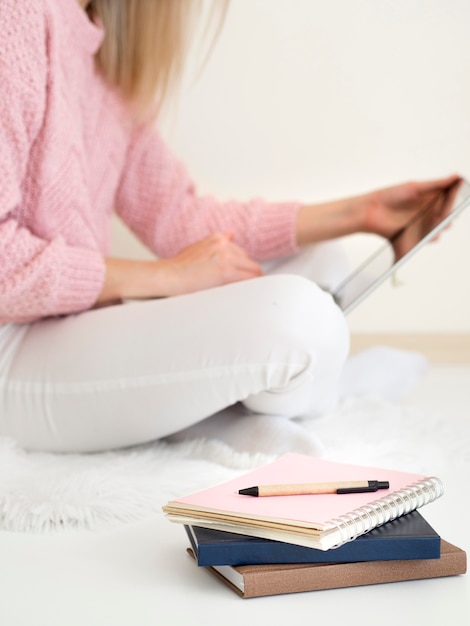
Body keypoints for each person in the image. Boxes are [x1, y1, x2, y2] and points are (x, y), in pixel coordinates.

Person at [0, 0, 460, 453]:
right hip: (13, 345)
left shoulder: (105, 51)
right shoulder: (16, 16)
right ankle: (329, 392)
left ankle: (228, 421)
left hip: (72, 322)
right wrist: (168, 277)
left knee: (322, 261)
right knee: (300, 316)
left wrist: (364, 212)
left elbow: (181, 219)